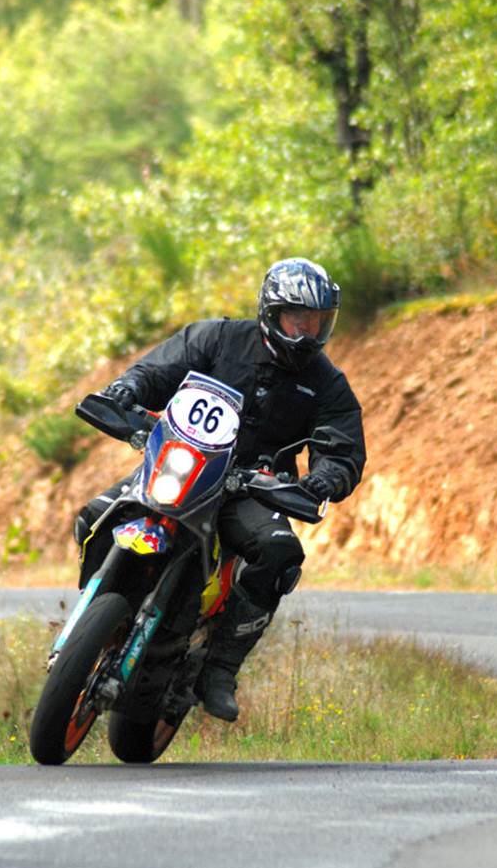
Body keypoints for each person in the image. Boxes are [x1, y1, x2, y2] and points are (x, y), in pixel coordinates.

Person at [75, 257, 366, 721]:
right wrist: (127, 388)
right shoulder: (216, 338)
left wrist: (323, 478)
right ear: (271, 312)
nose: (308, 332)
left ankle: (220, 669)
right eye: (298, 319)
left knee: (279, 552)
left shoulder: (326, 383)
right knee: (94, 515)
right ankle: (88, 623)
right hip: (180, 464)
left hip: (251, 489)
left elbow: (342, 446)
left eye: (318, 321)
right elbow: (158, 370)